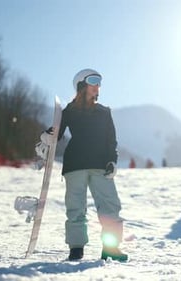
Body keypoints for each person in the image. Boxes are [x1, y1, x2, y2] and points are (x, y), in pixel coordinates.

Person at [42, 68, 127, 262]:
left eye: (99, 81)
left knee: (110, 205)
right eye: (94, 80)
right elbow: (58, 132)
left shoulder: (104, 112)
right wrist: (47, 136)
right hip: (75, 165)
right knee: (76, 207)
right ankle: (76, 247)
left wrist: (112, 160)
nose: (98, 85)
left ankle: (111, 248)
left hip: (100, 165)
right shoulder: (69, 111)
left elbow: (111, 140)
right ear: (81, 84)